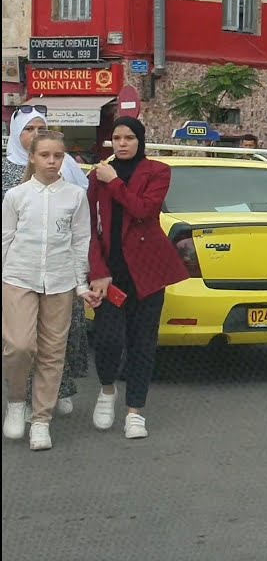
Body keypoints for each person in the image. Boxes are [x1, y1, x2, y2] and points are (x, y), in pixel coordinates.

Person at [87, 118, 190, 440]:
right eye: (116, 138)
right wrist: (97, 271)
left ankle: (135, 411)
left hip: (146, 271)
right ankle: (106, 390)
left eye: (129, 137)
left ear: (140, 140)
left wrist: (115, 181)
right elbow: (90, 227)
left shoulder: (157, 171)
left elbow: (143, 210)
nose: (122, 143)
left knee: (142, 343)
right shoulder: (98, 175)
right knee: (106, 341)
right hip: (109, 273)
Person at [2, 130, 96, 451]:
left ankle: (41, 419)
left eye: (58, 156)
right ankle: (17, 402)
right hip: (18, 277)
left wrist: (81, 283)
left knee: (53, 353)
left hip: (60, 282)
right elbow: (5, 238)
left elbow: (80, 241)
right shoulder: (17, 195)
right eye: (45, 155)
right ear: (32, 157)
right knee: (19, 345)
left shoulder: (74, 196)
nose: (52, 162)